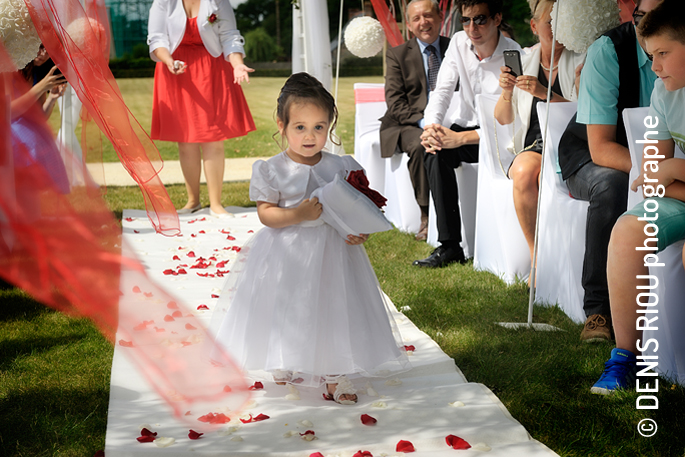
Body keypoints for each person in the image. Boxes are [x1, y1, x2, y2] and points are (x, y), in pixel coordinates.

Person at [212, 73, 409, 404]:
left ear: (330, 126)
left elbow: (352, 206)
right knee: (289, 304)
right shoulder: (271, 169)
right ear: (281, 124)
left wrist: (355, 230)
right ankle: (286, 354)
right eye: (300, 127)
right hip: (286, 250)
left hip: (332, 250)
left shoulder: (340, 166)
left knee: (334, 306)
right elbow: (266, 213)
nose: (310, 136)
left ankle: (335, 372)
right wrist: (295, 215)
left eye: (319, 127)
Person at [592, 0, 685, 394]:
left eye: (664, 53)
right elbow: (651, 178)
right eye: (651, 56)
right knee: (628, 230)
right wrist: (669, 173)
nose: (655, 67)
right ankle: (624, 357)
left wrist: (674, 170)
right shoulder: (665, 96)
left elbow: (664, 171)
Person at [557, 0, 660, 342]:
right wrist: (657, 171)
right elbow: (600, 147)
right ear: (631, 11)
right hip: (588, 155)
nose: (648, 24)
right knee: (614, 185)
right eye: (641, 16)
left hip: (656, 158)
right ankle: (598, 310)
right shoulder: (608, 51)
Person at [416, 0, 521, 267]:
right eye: (466, 20)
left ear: (497, 18)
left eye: (480, 19)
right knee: (433, 151)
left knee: (446, 144)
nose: (472, 27)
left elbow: (511, 122)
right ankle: (450, 246)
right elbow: (441, 90)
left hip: (500, 139)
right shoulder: (459, 42)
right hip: (465, 127)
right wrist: (431, 128)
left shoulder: (514, 55)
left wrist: (460, 138)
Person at [494, 0, 585, 271]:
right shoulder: (524, 61)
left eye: (561, 22)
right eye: (550, 23)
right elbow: (502, 118)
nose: (557, 29)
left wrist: (544, 94)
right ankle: (537, 256)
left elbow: (585, 114)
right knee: (522, 172)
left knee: (528, 171)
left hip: (571, 142)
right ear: (534, 26)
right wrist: (507, 91)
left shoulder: (582, 59)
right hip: (536, 144)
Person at [147, 0, 256, 217]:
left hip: (212, 70)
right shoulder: (162, 2)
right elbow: (157, 38)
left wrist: (237, 64)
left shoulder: (218, 2)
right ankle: (192, 201)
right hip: (175, 70)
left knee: (213, 139)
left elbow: (230, 36)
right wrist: (169, 61)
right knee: (185, 140)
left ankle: (216, 204)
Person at [380, 0, 450, 241]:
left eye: (428, 16)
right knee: (424, 145)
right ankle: (427, 215)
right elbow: (395, 104)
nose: (424, 23)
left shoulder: (456, 49)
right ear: (409, 25)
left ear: (440, 17)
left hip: (450, 120)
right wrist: (426, 123)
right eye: (417, 19)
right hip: (408, 124)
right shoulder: (397, 55)